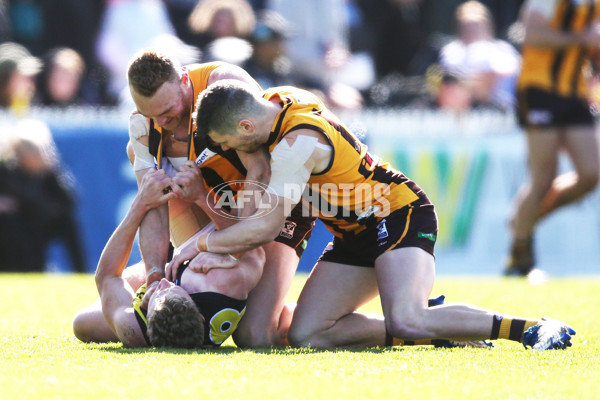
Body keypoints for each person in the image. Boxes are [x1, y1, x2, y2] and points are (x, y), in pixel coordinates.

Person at [170, 80, 577, 351]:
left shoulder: (295, 146)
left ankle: (530, 328)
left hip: (399, 215)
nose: (233, 153)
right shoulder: (277, 101)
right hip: (356, 233)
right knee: (308, 334)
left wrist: (194, 244)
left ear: (245, 125)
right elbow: (258, 172)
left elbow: (265, 227)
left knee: (408, 319)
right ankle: (443, 329)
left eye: (229, 143)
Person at [125, 49, 316, 347]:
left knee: (254, 336)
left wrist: (219, 243)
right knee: (188, 298)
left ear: (185, 81)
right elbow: (153, 206)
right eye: (151, 114)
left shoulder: (223, 87)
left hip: (273, 207)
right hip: (218, 209)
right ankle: (145, 275)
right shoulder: (143, 126)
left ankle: (314, 319)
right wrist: (154, 274)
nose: (161, 122)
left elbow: (261, 170)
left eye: (168, 109)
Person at [74, 168, 265, 347]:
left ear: (149, 331)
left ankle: (152, 266)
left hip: (179, 264)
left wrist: (140, 204)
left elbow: (106, 276)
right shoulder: (220, 283)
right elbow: (254, 248)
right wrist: (201, 200)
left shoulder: (133, 329)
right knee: (256, 336)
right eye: (172, 288)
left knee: (81, 325)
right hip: (228, 233)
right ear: (200, 316)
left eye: (160, 292)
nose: (164, 283)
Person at [506, 0, 600, 277]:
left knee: (591, 174)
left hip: (576, 93)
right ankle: (519, 256)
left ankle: (522, 221)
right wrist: (583, 38)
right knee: (543, 177)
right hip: (540, 89)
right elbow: (532, 34)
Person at [0, 119, 86, 272]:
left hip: (39, 221)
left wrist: (52, 170)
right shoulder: (9, 171)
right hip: (18, 225)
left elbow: (70, 201)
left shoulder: (49, 173)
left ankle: (81, 271)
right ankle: (27, 269)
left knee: (68, 222)